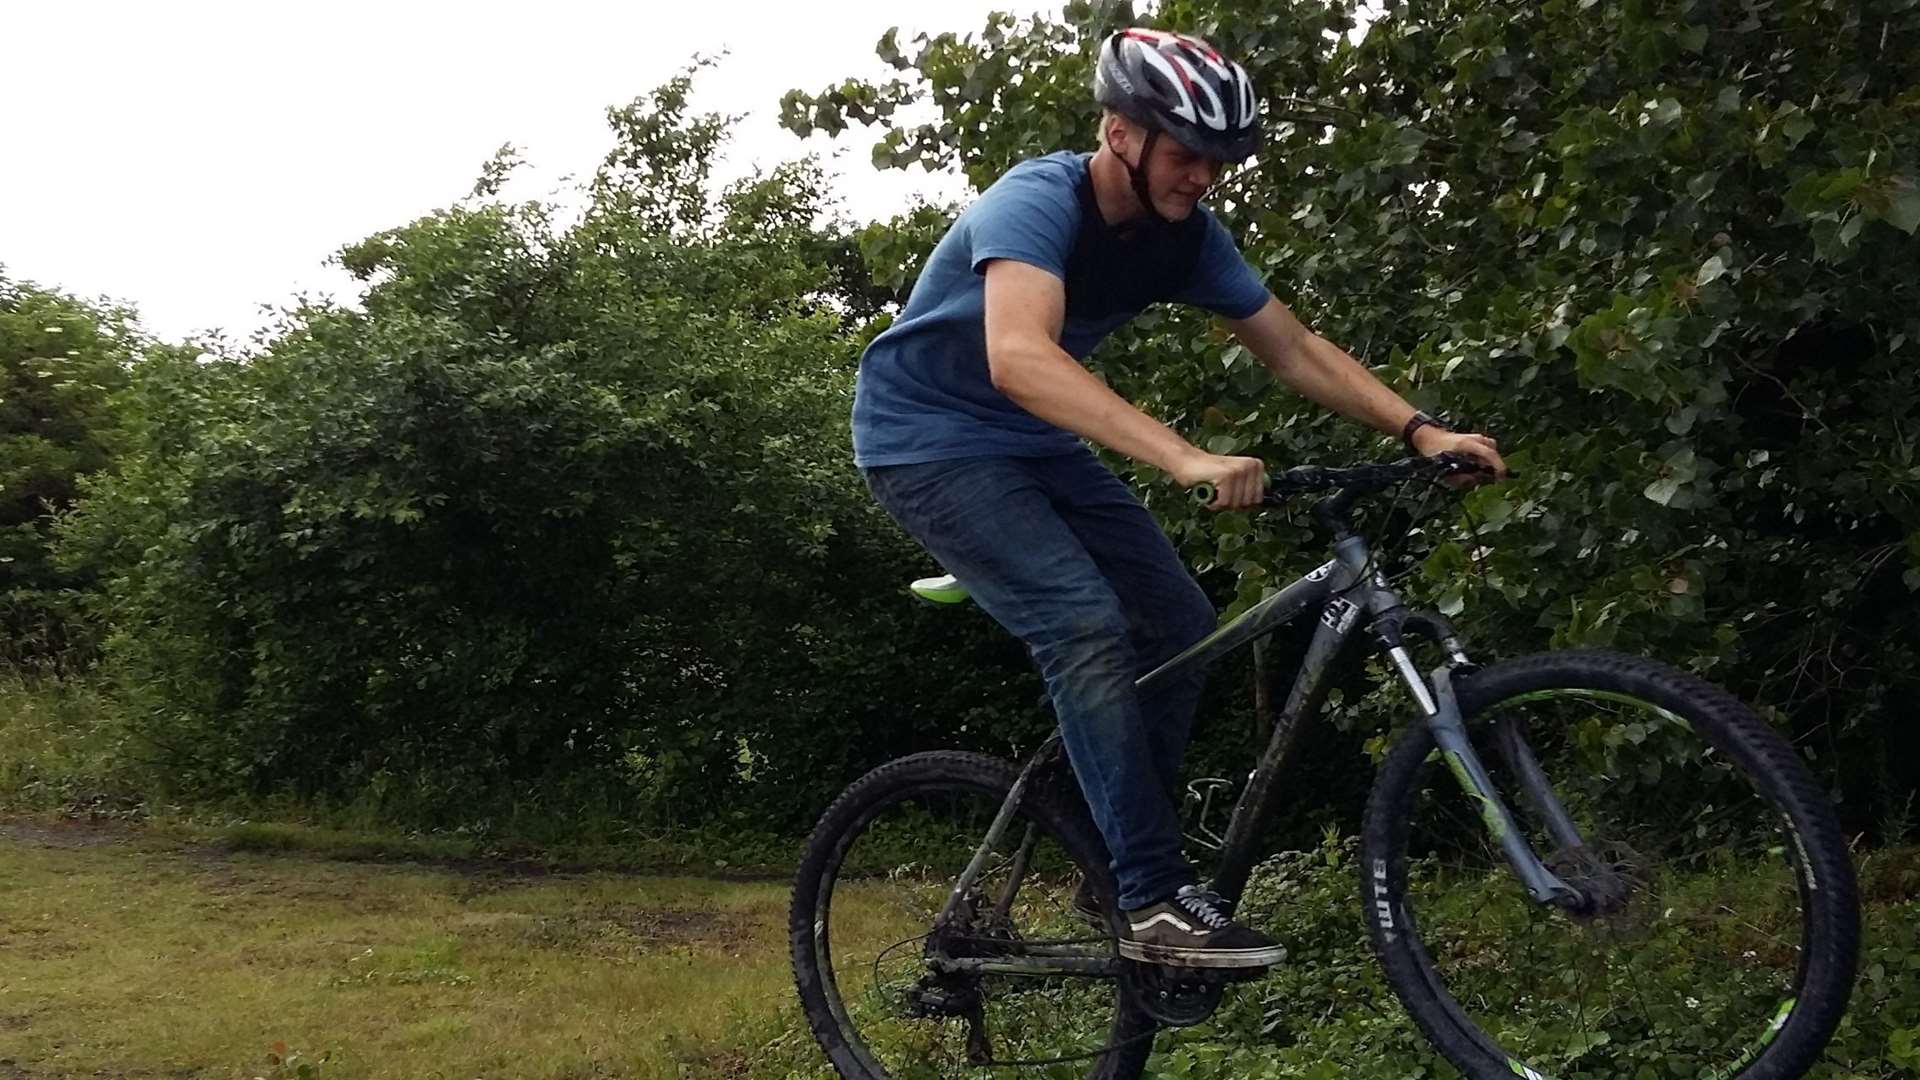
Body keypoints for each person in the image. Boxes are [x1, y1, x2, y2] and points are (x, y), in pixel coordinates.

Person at [853, 27, 1506, 968]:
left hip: (1032, 442)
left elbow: (1292, 345)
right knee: (1083, 624)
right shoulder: (1038, 201)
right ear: (1122, 132)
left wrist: (1419, 429)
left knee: (1180, 621)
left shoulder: (1184, 238)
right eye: (1188, 152)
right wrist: (1184, 457)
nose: (1205, 176)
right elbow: (1020, 355)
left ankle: (1108, 858)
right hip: (927, 443)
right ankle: (1149, 894)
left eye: (1219, 160)